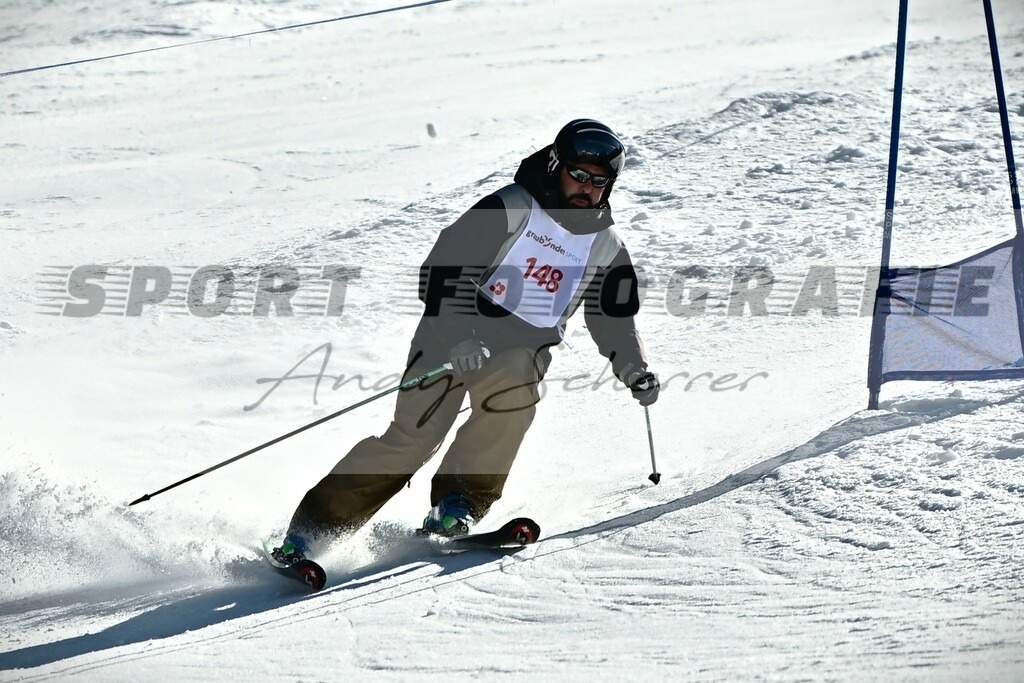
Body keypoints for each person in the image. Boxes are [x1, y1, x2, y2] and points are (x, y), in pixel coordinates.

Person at [272, 119, 659, 563]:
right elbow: (442, 269)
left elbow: (614, 315)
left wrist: (633, 366)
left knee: (517, 389)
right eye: (578, 174)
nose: (587, 188)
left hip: (520, 352)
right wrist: (460, 336)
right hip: (449, 338)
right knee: (412, 440)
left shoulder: (605, 245)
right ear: (557, 165)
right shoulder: (512, 208)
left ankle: (458, 504)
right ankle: (310, 531)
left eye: (598, 182)